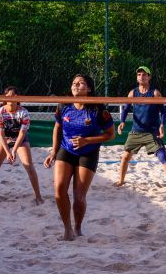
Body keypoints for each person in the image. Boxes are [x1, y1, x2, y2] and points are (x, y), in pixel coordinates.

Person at [43, 74, 115, 241]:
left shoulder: (98, 109)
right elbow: (57, 128)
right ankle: (67, 229)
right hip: (66, 149)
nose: (75, 85)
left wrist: (86, 141)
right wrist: (53, 152)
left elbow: (110, 135)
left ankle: (77, 227)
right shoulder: (63, 105)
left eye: (80, 83)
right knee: (59, 190)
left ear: (89, 89)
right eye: (73, 83)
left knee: (79, 196)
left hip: (88, 152)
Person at [116, 66, 166, 193]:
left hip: (151, 132)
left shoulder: (155, 93)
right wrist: (122, 121)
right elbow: (126, 108)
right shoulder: (133, 93)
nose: (141, 77)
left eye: (144, 74)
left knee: (162, 156)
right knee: (125, 156)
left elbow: (163, 111)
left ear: (149, 77)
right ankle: (121, 181)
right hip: (136, 131)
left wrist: (162, 125)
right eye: (139, 74)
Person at [0, 86, 44, 204]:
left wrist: (14, 150)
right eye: (8, 95)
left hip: (20, 140)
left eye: (14, 95)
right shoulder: (0, 112)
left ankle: (38, 197)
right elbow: (0, 135)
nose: (11, 97)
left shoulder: (24, 112)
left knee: (30, 168)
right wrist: (7, 152)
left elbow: (22, 133)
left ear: (18, 97)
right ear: (4, 98)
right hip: (4, 139)